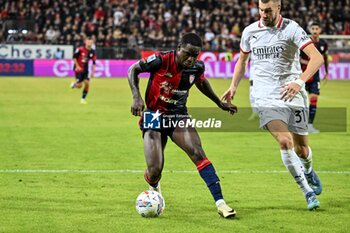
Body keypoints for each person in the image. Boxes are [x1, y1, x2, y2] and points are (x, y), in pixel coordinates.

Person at [221, 0, 323, 210]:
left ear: (278, 8)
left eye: (268, 10)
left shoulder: (292, 28)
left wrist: (299, 81)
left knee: (302, 149)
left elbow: (317, 58)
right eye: (261, 10)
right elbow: (242, 60)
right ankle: (307, 192)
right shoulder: (250, 32)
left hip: (292, 94)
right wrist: (233, 86)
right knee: (285, 141)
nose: (264, 14)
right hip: (263, 96)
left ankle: (309, 170)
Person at [128, 33, 238, 218]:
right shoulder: (161, 59)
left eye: (196, 55)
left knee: (197, 153)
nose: (191, 59)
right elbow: (133, 69)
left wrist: (220, 104)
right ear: (179, 48)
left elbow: (202, 83)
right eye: (188, 53)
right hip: (154, 115)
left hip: (178, 115)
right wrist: (136, 97)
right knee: (154, 170)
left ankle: (221, 203)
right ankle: (154, 187)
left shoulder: (196, 67)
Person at [300, 22, 329, 133]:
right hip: (304, 74)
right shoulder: (305, 42)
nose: (315, 30)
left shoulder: (323, 44)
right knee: (301, 101)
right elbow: (298, 59)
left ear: (320, 30)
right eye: (313, 28)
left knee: (313, 99)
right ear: (310, 30)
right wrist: (312, 62)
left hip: (315, 76)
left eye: (317, 28)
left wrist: (326, 72)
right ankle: (299, 123)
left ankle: (310, 125)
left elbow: (325, 58)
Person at [71, 36, 96, 104]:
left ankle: (83, 99)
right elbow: (74, 57)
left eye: (91, 41)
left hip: (86, 70)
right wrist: (77, 66)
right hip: (78, 70)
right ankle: (74, 85)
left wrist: (93, 72)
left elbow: (94, 62)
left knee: (87, 83)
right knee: (79, 86)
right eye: (88, 41)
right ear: (85, 42)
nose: (89, 43)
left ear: (92, 42)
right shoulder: (80, 49)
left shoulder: (92, 51)